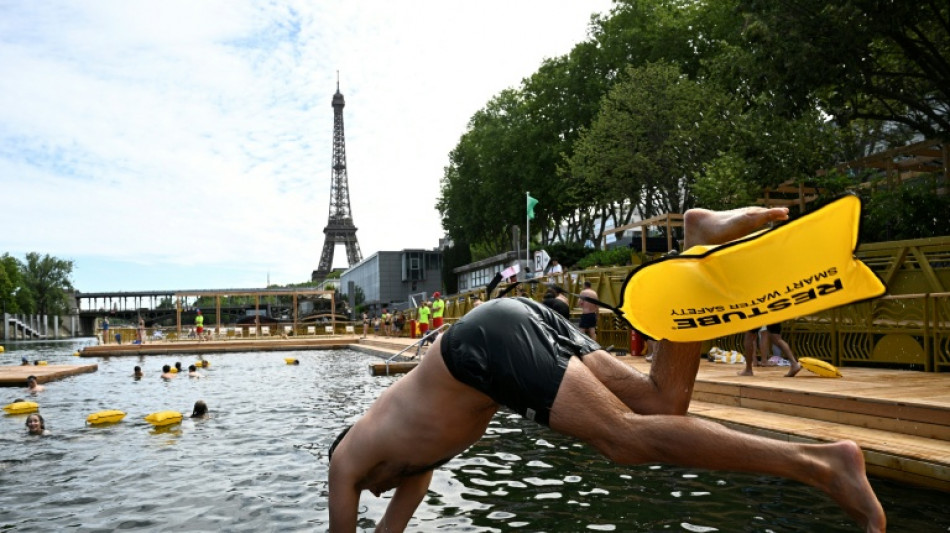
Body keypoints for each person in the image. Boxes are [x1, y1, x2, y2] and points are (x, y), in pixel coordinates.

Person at [327, 205, 885, 533]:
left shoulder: (347, 458)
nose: (377, 495)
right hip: (507, 327)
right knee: (661, 403)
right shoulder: (415, 463)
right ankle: (692, 246)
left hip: (485, 346)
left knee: (623, 439)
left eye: (367, 493)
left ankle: (822, 465)